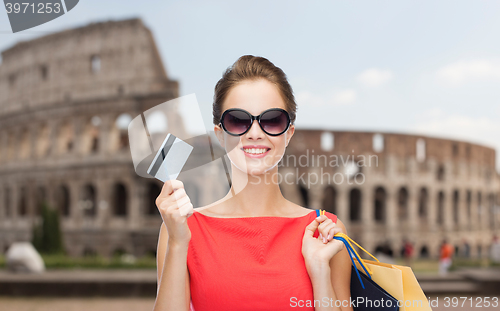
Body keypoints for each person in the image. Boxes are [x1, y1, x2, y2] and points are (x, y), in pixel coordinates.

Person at [152, 55, 352, 311]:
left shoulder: (327, 231)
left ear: (288, 133)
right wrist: (179, 243)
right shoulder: (181, 230)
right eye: (237, 120)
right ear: (220, 135)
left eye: (272, 120)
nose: (255, 133)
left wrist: (320, 273)